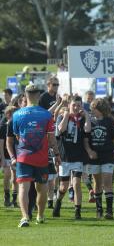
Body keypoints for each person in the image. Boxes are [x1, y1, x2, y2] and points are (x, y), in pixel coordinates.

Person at [6, 84, 61, 227]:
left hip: (23, 156)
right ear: (38, 96)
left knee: (23, 188)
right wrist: (57, 154)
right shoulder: (46, 114)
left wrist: (14, 157)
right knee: (41, 188)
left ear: (25, 95)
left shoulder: (16, 115)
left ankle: (24, 217)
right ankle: (40, 216)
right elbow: (51, 138)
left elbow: (14, 138)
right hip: (41, 158)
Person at [52, 96, 91, 219]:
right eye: (74, 105)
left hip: (78, 156)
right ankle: (58, 202)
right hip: (65, 157)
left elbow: (87, 130)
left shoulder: (82, 118)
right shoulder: (62, 117)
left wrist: (87, 116)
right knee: (63, 186)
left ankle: (77, 211)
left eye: (78, 105)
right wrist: (66, 116)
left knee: (76, 183)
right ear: (69, 105)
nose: (76, 107)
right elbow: (61, 129)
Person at [84, 98, 114, 219]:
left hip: (107, 155)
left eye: (93, 109)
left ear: (100, 109)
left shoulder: (109, 121)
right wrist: (89, 151)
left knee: (107, 181)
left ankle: (109, 211)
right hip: (94, 157)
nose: (91, 111)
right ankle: (99, 209)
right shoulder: (90, 121)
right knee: (97, 183)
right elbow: (85, 139)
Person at [0, 106, 18, 207]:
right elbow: (1, 144)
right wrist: (2, 158)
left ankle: (14, 199)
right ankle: (6, 196)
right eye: (11, 113)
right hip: (6, 155)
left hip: (15, 155)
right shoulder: (3, 127)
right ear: (7, 115)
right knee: (7, 175)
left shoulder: (16, 125)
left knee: (15, 178)